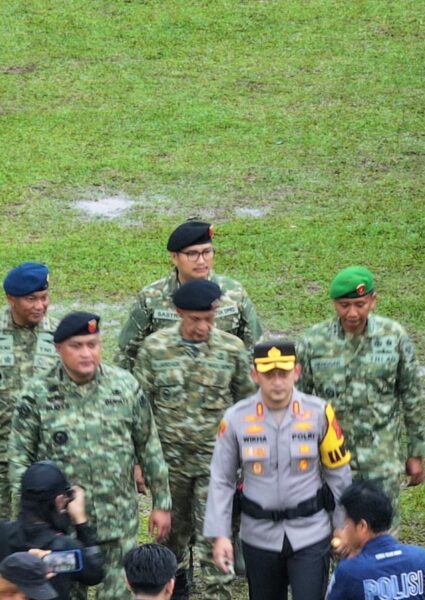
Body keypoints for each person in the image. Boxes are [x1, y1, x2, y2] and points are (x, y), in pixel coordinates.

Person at [8, 312, 171, 600]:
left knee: (118, 595)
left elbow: (148, 446)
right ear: (59, 349)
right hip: (62, 531)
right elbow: (20, 459)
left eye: (93, 344)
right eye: (77, 346)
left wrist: (162, 502)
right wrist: (29, 524)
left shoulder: (125, 386)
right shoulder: (37, 394)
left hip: (117, 520)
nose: (87, 353)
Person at [132, 279, 257, 599]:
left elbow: (248, 408)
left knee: (216, 541)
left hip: (216, 467)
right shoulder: (155, 350)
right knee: (168, 542)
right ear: (178, 312)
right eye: (194, 319)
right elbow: (140, 413)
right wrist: (138, 463)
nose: (202, 327)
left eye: (209, 319)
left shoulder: (231, 350)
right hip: (168, 468)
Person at [204, 340, 353, 600]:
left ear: (297, 372)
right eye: (268, 374)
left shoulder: (319, 413)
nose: (277, 382)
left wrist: (343, 525)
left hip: (311, 532)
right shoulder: (235, 418)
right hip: (258, 536)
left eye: (283, 374)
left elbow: (338, 473)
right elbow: (221, 479)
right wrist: (220, 535)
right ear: (254, 375)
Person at [297, 267, 425, 530]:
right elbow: (298, 403)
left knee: (381, 531)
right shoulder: (313, 342)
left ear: (373, 300)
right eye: (344, 305)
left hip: (381, 457)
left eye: (360, 304)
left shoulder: (393, 337)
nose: (353, 313)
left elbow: (411, 395)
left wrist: (416, 452)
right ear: (334, 304)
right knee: (336, 532)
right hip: (330, 460)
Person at [117, 220, 262, 371]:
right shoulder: (151, 298)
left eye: (207, 252)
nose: (201, 261)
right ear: (174, 257)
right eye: (192, 254)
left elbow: (255, 349)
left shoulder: (234, 294)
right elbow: (128, 353)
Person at [0, 263, 59, 518]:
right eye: (31, 299)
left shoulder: (60, 335)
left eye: (44, 298)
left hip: (44, 455)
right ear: (11, 299)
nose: (39, 306)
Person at [0, 462, 105, 599]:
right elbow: (95, 575)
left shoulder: (2, 532)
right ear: (59, 500)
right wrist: (81, 521)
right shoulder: (65, 549)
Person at [326, 482, 425, 600]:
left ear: (362, 526)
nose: (344, 529)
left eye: (346, 523)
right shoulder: (420, 558)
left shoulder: (349, 571)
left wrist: (348, 558)